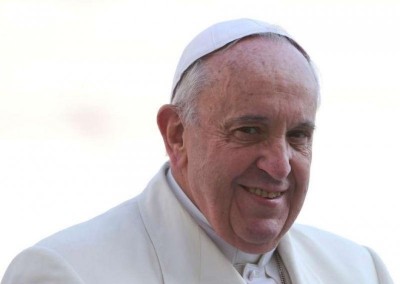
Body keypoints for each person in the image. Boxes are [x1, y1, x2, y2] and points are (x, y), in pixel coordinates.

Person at [1, 18, 393, 284]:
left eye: (298, 136)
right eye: (249, 130)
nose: (279, 166)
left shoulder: (358, 269)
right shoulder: (68, 273)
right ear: (177, 135)